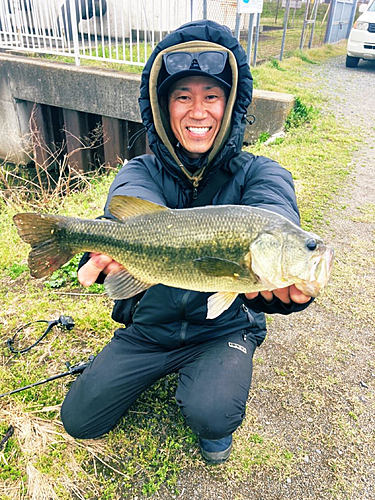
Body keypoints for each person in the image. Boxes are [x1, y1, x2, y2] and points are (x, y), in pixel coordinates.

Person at [60, 19, 312, 464]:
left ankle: (211, 393)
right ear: (163, 108)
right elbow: (123, 215)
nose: (199, 112)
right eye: (183, 97)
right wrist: (95, 251)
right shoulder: (138, 171)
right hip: (150, 328)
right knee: (79, 420)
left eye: (212, 96)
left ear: (231, 103)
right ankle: (158, 368)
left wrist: (287, 284)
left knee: (213, 415)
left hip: (222, 328)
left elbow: (276, 217)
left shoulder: (262, 173)